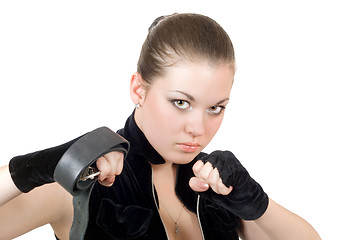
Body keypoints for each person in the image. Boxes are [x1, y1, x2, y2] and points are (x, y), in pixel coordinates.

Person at [0, 13, 321, 240]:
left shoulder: (211, 184)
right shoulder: (87, 179)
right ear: (139, 90)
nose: (198, 127)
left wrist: (256, 203)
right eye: (181, 102)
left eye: (215, 107)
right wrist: (37, 167)